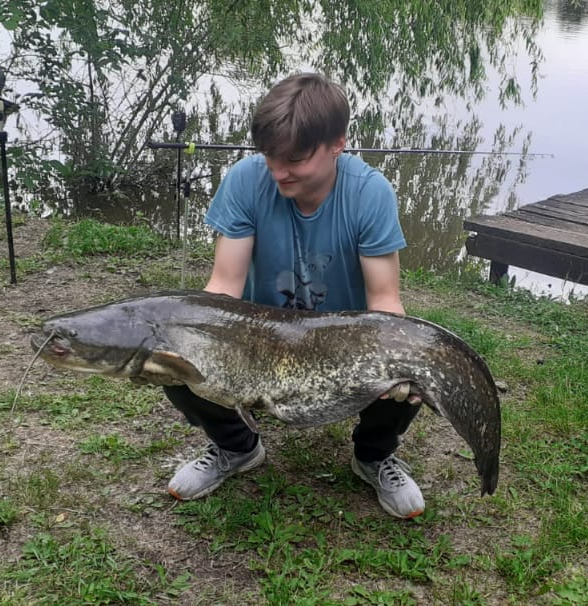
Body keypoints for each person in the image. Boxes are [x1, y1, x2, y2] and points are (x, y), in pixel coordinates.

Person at [162, 72, 425, 519]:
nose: (278, 170)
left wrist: (398, 365)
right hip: (258, 337)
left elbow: (385, 302)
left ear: (337, 144)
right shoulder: (246, 181)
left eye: (296, 158)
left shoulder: (370, 193)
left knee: (409, 362)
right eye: (269, 155)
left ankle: (374, 456)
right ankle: (237, 449)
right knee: (176, 357)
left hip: (343, 342)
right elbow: (223, 288)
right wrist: (189, 344)